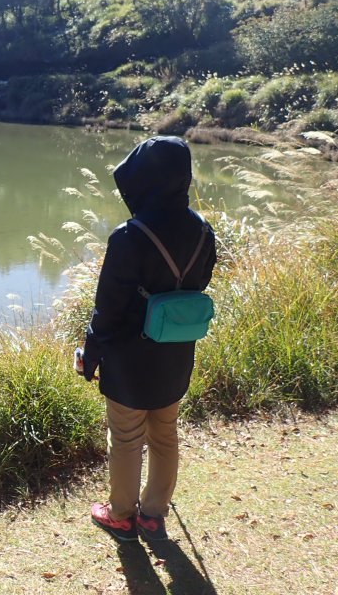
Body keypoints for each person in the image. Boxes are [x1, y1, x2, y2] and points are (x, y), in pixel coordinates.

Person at [79, 135, 217, 543]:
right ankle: (153, 514)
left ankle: (121, 516)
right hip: (177, 352)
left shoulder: (128, 236)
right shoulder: (203, 230)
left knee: (125, 439)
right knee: (165, 432)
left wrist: (90, 354)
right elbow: (200, 281)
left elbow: (108, 308)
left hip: (129, 359)